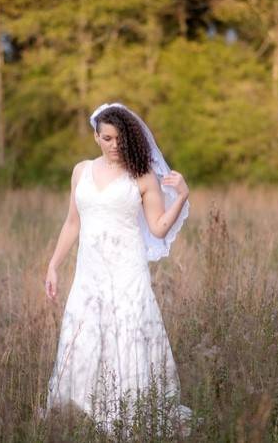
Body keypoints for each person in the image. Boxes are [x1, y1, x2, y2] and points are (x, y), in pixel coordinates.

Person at [42, 102, 193, 437]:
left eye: (119, 139)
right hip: (89, 273)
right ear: (96, 136)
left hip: (127, 272)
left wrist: (181, 196)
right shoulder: (81, 171)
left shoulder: (142, 176)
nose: (114, 145)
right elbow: (71, 223)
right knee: (84, 334)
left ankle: (132, 410)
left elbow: (157, 228)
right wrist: (53, 266)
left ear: (129, 138)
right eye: (106, 138)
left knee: (128, 335)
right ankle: (82, 409)